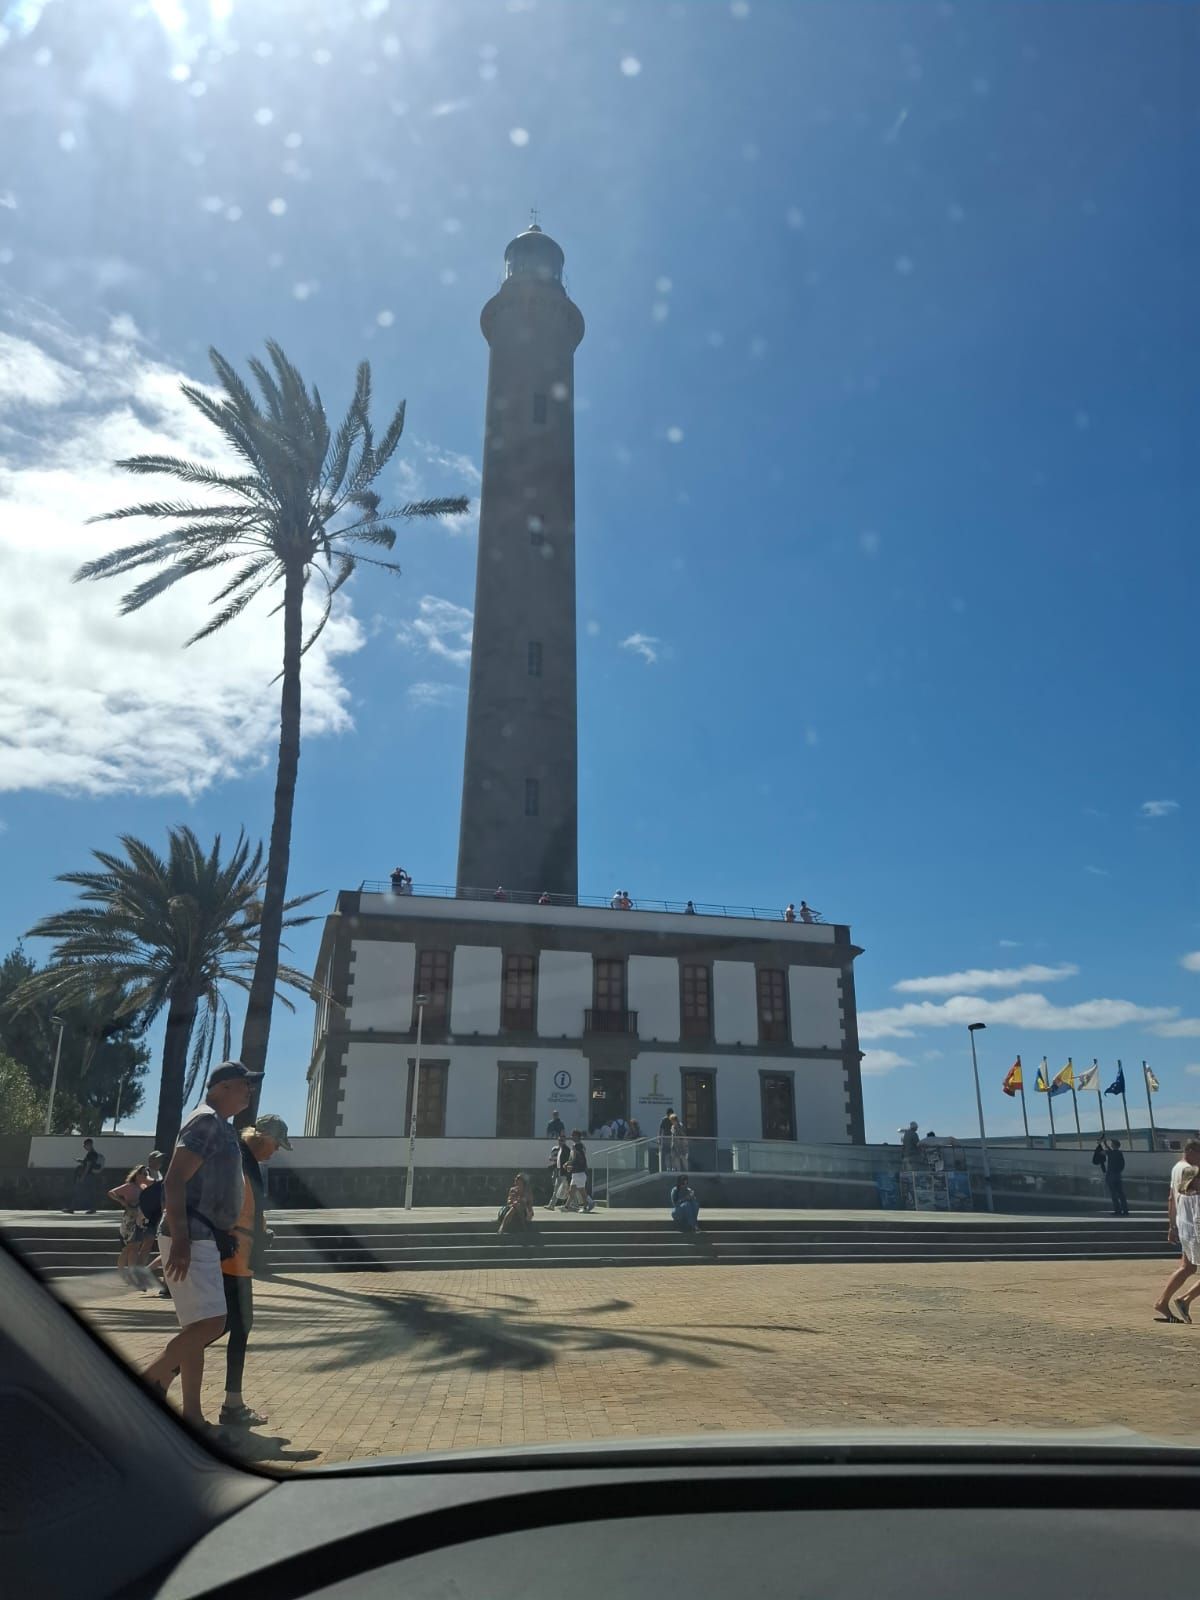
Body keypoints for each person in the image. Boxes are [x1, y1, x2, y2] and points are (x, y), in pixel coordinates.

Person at [143, 1060, 260, 1435]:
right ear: (223, 1086)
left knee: (197, 1326)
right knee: (213, 1323)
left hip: (200, 1234)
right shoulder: (206, 1121)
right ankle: (148, 1382)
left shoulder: (220, 1126)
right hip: (193, 1235)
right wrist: (179, 1238)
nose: (249, 1091)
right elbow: (174, 1179)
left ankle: (192, 1416)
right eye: (244, 1084)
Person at [218, 1113, 290, 1430]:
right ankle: (165, 1372)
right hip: (230, 1257)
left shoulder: (247, 1160)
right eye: (275, 1145)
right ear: (262, 1136)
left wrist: (260, 1232)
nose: (274, 1152)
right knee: (222, 1326)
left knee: (227, 1325)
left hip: (240, 1258)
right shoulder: (237, 1158)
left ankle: (232, 1402)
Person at [1153, 1137, 1200, 1323]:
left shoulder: (1176, 1169)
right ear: (1190, 1152)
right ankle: (1184, 1299)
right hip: (1194, 1225)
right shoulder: (1190, 1170)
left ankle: (1163, 1301)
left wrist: (1172, 1225)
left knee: (1187, 1267)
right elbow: (1193, 1201)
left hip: (1185, 1224)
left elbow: (1171, 1198)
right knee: (1187, 1267)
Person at [107, 1164, 153, 1287]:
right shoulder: (129, 1186)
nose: (146, 1175)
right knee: (128, 1248)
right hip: (129, 1220)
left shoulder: (144, 1187)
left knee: (135, 1248)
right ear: (137, 1175)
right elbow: (111, 1192)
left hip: (140, 1220)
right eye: (144, 1173)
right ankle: (122, 1273)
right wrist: (122, 1201)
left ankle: (132, 1274)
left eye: (147, 1173)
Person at [1168, 1165, 1200, 1323]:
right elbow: (1197, 1220)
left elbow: (1181, 1218)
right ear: (1193, 1180)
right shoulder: (1196, 1197)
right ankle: (1185, 1300)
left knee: (1189, 1268)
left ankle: (1185, 1300)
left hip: (1188, 1238)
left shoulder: (1183, 1196)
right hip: (1196, 1238)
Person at [65, 1137, 105, 1214]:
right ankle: (92, 1209)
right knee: (91, 1192)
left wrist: (82, 1177)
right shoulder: (93, 1154)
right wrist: (81, 1161)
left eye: (85, 1145)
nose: (84, 1146)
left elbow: (88, 1166)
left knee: (77, 1191)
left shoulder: (91, 1154)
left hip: (87, 1176)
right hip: (91, 1176)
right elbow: (88, 1163)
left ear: (89, 1145)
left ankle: (71, 1208)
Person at [563, 1131, 590, 1212]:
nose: (571, 1137)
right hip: (576, 1173)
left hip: (579, 1172)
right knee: (571, 1191)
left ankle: (586, 1207)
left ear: (577, 1136)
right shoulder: (579, 1146)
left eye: (573, 1135)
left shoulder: (577, 1146)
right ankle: (566, 1207)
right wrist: (569, 1164)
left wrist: (569, 1164)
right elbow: (574, 1159)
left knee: (582, 1192)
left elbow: (576, 1158)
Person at [1104, 1138, 1130, 1216]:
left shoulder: (1111, 1153)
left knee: (1114, 1194)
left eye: (1112, 1144)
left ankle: (1117, 1210)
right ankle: (1125, 1210)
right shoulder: (1119, 1153)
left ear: (1114, 1145)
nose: (1111, 1144)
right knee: (1121, 1193)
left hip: (1111, 1175)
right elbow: (1122, 1165)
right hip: (1117, 1175)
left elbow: (1107, 1151)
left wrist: (1105, 1144)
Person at [546, 1131, 572, 1208]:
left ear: (565, 1141)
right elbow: (558, 1162)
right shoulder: (559, 1149)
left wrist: (568, 1173)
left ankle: (573, 1204)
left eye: (562, 1140)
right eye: (559, 1140)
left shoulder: (566, 1149)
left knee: (567, 1190)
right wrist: (553, 1166)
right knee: (557, 1189)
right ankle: (551, 1205)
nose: (560, 1142)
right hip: (559, 1172)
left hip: (564, 1173)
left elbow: (568, 1161)